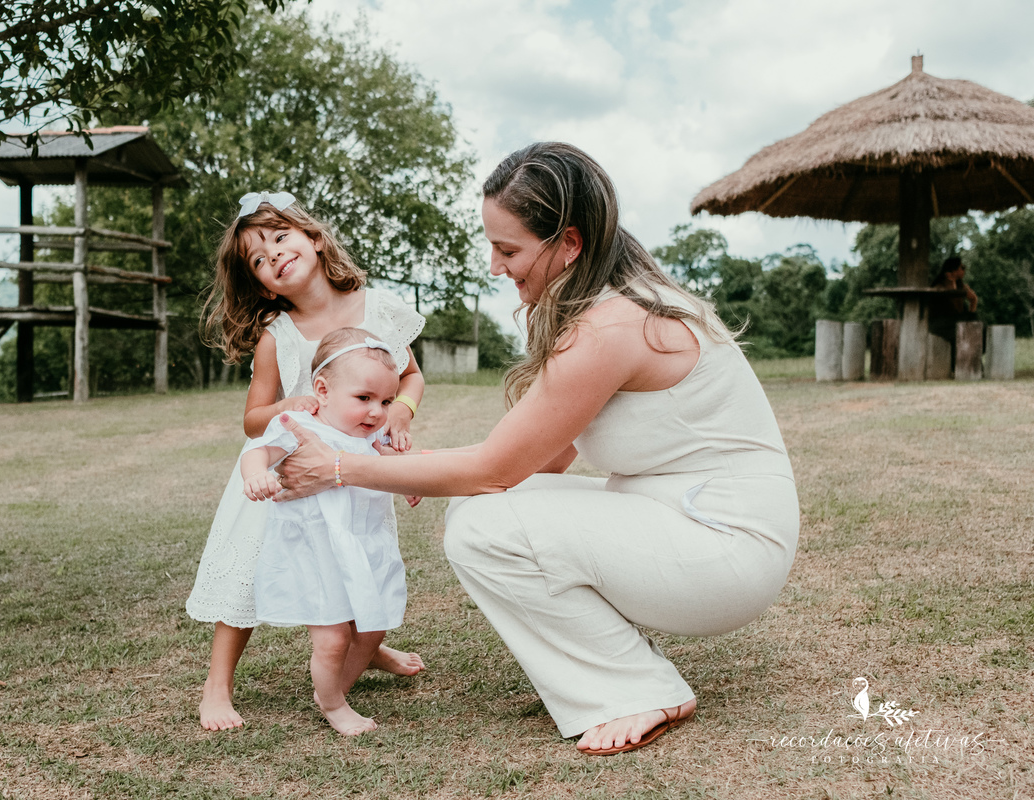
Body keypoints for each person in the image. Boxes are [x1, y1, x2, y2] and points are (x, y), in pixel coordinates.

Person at [271, 143, 800, 755]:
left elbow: (496, 470)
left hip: (726, 548)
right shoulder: (609, 308)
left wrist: (339, 467)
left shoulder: (610, 326)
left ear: (568, 244)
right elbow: (541, 460)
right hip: (686, 520)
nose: (496, 267)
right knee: (475, 512)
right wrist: (412, 466)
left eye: (509, 249)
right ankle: (625, 674)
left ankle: (634, 690)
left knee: (481, 525)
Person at [186, 191, 427, 731]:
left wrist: (402, 414)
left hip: (350, 473)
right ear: (260, 283)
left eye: (279, 238)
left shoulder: (378, 307)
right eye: (257, 259)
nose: (272, 256)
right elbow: (252, 421)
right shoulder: (278, 336)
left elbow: (409, 375)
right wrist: (286, 404)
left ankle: (368, 647)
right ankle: (217, 685)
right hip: (281, 472)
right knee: (244, 573)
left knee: (357, 566)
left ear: (313, 239)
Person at [242, 327, 409, 736]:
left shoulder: (370, 438)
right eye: (364, 398)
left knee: (373, 626)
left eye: (386, 401)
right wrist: (256, 476)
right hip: (316, 552)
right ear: (322, 389)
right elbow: (257, 450)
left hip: (365, 546)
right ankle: (333, 704)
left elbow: (392, 468)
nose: (376, 412)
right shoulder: (300, 426)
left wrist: (409, 484)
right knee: (333, 637)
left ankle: (336, 689)